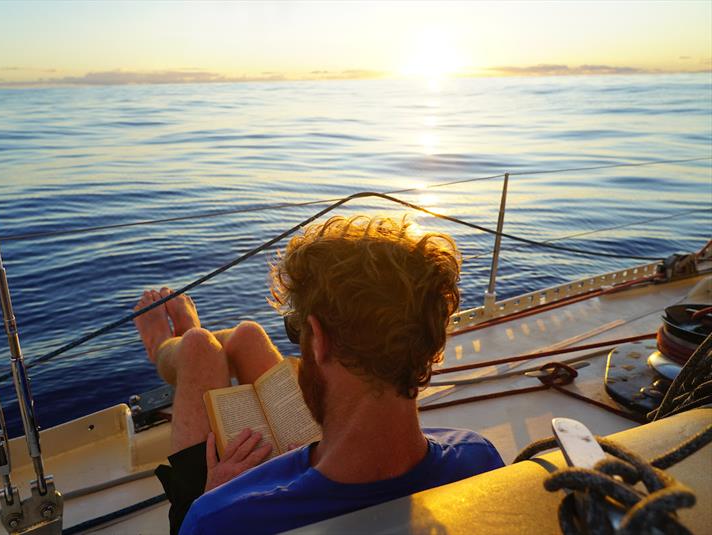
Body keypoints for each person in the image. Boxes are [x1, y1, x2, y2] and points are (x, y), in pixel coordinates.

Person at [133, 215, 504, 535]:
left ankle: (172, 347)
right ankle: (199, 342)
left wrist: (213, 492)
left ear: (320, 339)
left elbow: (212, 519)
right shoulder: (479, 459)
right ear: (431, 342)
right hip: (323, 458)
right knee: (248, 337)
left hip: (225, 489)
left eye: (298, 331)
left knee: (199, 347)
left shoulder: (220, 518)